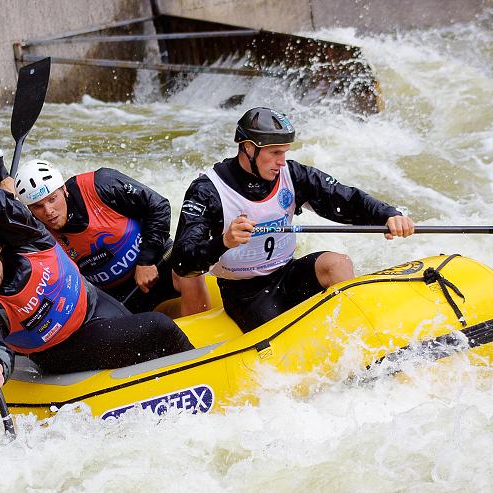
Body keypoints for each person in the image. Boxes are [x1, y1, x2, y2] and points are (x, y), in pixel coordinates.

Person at [0, 162, 194, 397]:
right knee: (160, 328)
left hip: (93, 305)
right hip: (59, 349)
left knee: (147, 339)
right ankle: (198, 377)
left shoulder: (29, 236)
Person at [172, 107, 415, 332]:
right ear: (248, 148)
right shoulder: (207, 190)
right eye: (275, 152)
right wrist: (224, 241)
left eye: (285, 152)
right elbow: (183, 260)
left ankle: (360, 334)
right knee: (284, 328)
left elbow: (345, 198)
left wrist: (389, 215)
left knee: (338, 263)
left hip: (288, 273)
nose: (281, 161)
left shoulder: (292, 175)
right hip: (246, 294)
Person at [12, 159, 210, 316]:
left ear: (63, 189)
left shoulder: (101, 184)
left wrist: (146, 261)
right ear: (29, 210)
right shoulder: (34, 233)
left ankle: (201, 334)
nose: (49, 212)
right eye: (38, 206)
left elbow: (159, 206)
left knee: (189, 259)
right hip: (114, 296)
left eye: (52, 199)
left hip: (155, 264)